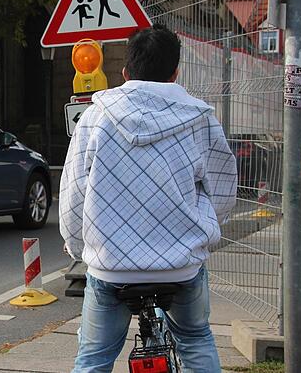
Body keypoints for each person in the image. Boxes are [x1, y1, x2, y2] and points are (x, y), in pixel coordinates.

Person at [59, 24, 237, 373]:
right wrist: (205, 235)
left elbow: (74, 192)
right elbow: (222, 187)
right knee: (195, 338)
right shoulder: (200, 119)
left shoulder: (96, 117)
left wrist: (79, 248)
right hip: (181, 265)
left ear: (125, 72)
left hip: (111, 267)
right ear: (175, 73)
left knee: (94, 357)